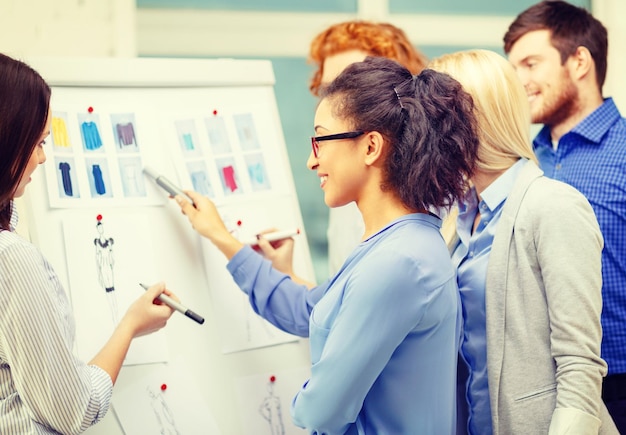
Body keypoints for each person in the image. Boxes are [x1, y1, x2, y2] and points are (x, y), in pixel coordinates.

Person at [175, 56, 480, 434]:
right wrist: (221, 237)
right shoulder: (399, 245)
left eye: (320, 140)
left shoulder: (399, 262)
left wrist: (306, 397)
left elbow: (320, 411)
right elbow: (309, 309)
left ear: (370, 147)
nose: (310, 161)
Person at [429, 49, 618, 434]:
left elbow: (580, 364)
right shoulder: (459, 215)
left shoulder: (553, 206)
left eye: (432, 120)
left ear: (472, 120)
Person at [0, 53, 176, 434]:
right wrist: (129, 325)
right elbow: (73, 411)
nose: (44, 158)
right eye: (38, 142)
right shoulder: (10, 259)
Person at [503, 2, 626, 431]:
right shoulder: (523, 160)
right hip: (539, 385)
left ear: (578, 62)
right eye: (513, 68)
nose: (519, 81)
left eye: (531, 63)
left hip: (620, 382)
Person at [307, 20, 429, 275]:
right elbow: (336, 301)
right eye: (329, 89)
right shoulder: (344, 186)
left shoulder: (430, 192)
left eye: (352, 85)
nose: (336, 102)